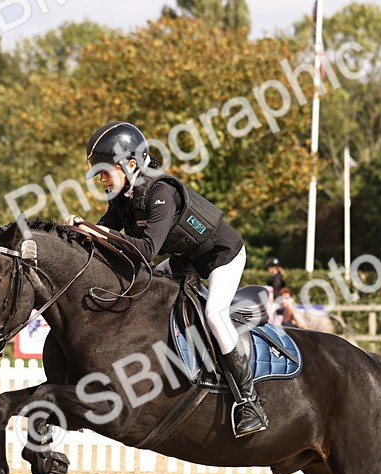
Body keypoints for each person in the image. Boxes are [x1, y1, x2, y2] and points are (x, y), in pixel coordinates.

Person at [71, 121, 267, 437]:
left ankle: (249, 402)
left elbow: (146, 250)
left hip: (222, 255)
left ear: (130, 164)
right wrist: (78, 233)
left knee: (214, 315)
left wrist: (94, 231)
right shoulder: (122, 196)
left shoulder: (161, 192)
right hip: (185, 259)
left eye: (105, 171)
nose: (102, 180)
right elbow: (105, 230)